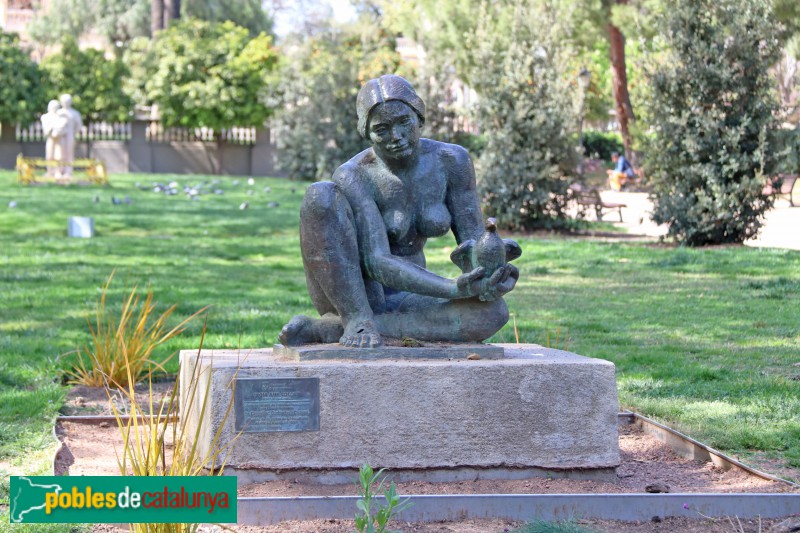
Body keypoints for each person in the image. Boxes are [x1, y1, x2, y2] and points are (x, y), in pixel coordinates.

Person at [280, 75, 520, 348]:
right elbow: (377, 260)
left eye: (403, 122)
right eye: (381, 129)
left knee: (493, 313)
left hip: (412, 294)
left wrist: (490, 270)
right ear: (366, 133)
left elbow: (473, 242)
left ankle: (329, 329)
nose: (396, 137)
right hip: (358, 293)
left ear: (419, 118)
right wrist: (453, 288)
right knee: (319, 195)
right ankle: (354, 319)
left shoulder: (452, 161)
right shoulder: (355, 175)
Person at [57, 94, 83, 178]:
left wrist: (73, 132)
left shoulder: (75, 113)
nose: (66, 103)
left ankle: (68, 171)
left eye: (67, 101)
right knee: (59, 154)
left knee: (69, 153)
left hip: (70, 136)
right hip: (60, 136)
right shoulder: (58, 113)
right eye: (64, 101)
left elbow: (79, 126)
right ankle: (59, 170)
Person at [41, 100, 66, 177]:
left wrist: (58, 130)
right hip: (50, 138)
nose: (54, 109)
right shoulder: (45, 117)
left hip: (59, 139)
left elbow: (63, 129)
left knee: (58, 155)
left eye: (56, 107)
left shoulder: (61, 118)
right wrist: (52, 126)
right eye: (53, 107)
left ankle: (58, 172)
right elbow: (46, 130)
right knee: (49, 155)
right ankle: (49, 171)